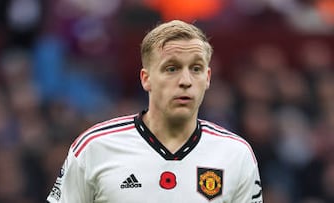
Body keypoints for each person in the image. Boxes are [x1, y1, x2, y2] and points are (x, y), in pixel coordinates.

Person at [47, 20, 263, 203]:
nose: (186, 81)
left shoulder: (236, 154)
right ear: (146, 78)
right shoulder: (94, 147)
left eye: (196, 69)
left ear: (207, 78)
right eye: (172, 68)